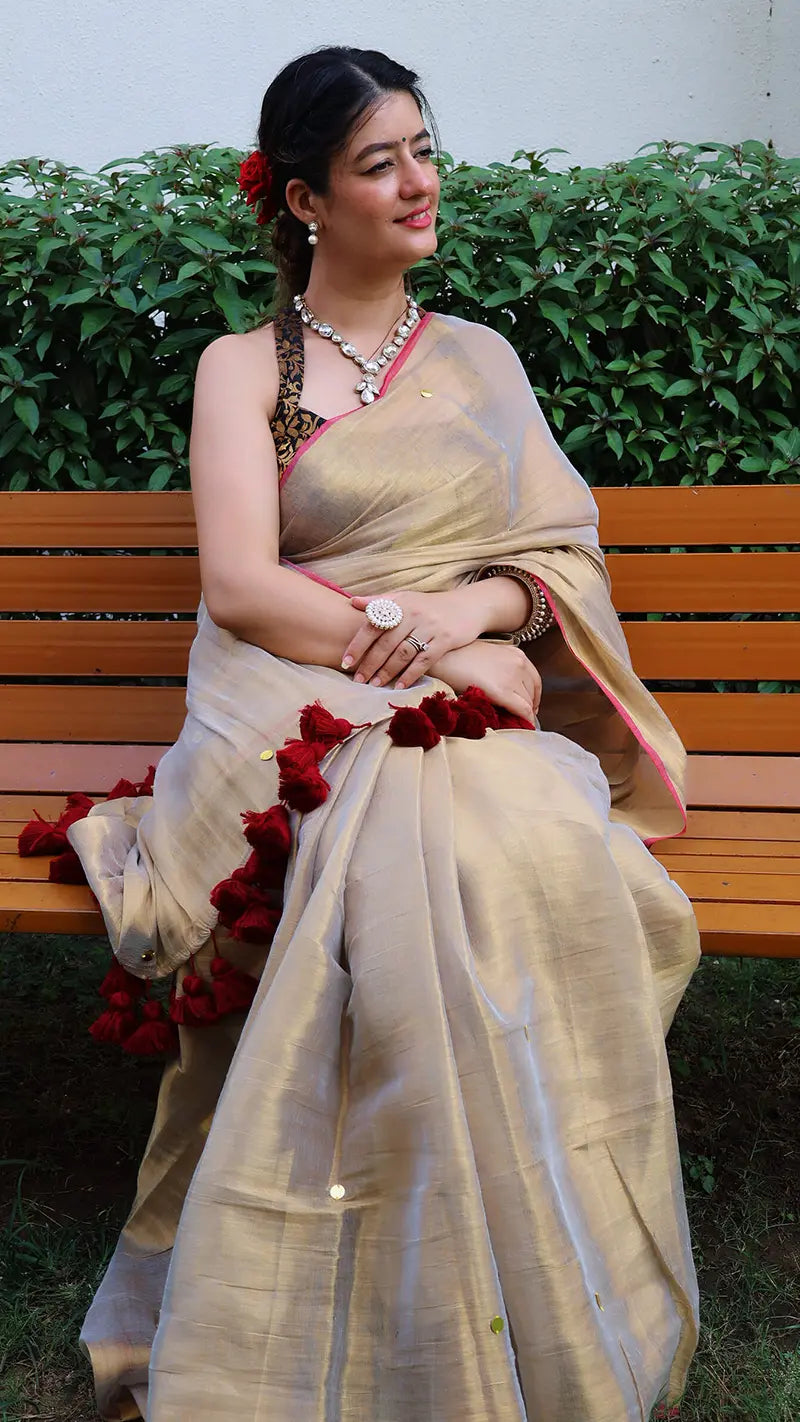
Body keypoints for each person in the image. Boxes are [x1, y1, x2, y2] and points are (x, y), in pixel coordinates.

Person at [71, 45, 701, 1422]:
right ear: (304, 199)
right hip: (284, 696)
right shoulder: (247, 369)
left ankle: (514, 1253)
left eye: (423, 147)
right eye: (379, 162)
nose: (419, 181)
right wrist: (422, 649)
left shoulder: (480, 359)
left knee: (506, 830)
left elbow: (558, 557)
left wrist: (469, 612)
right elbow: (241, 584)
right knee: (433, 836)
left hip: (459, 694)